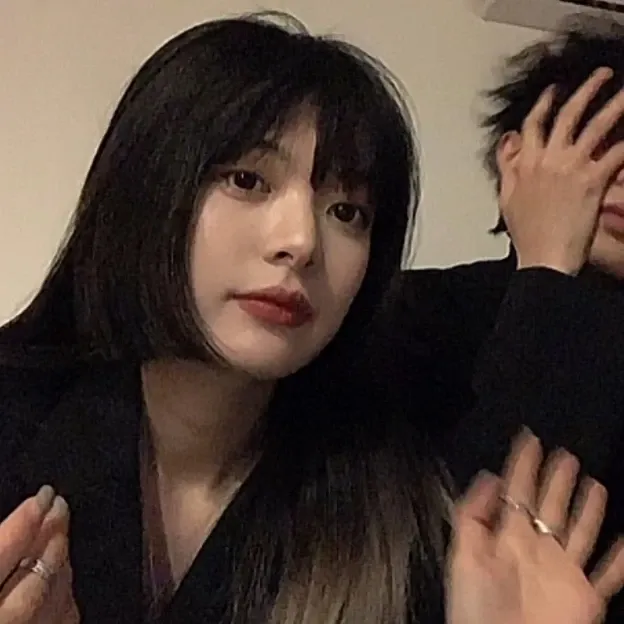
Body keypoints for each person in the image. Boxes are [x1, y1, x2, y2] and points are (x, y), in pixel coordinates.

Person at [0, 12, 622, 624]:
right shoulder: (25, 419)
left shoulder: (385, 499)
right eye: (248, 180)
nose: (300, 241)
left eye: (347, 212)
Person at [372, 16, 624, 623]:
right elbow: (431, 553)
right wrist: (547, 272)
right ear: (516, 156)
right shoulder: (413, 311)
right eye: (600, 140)